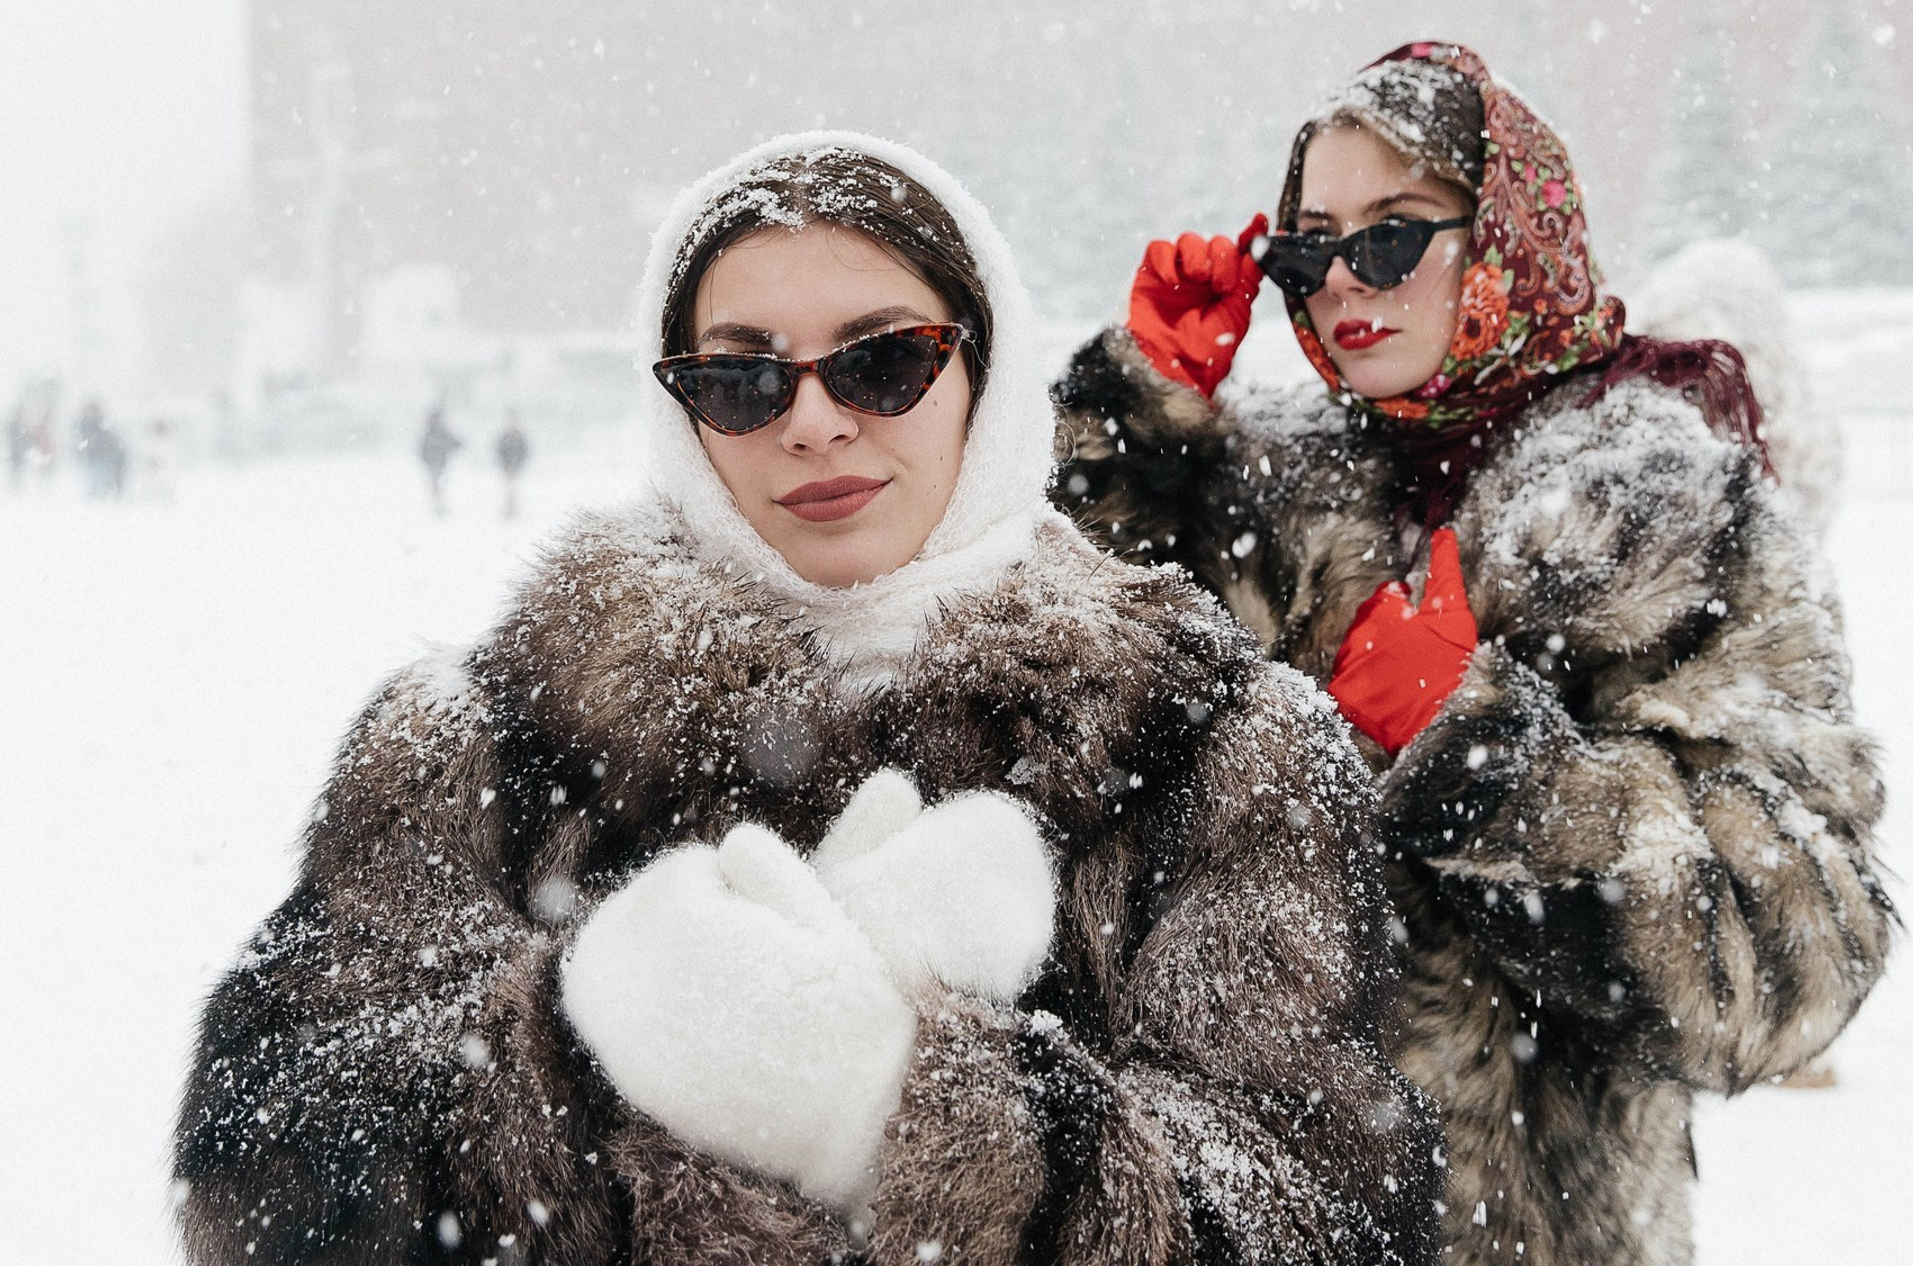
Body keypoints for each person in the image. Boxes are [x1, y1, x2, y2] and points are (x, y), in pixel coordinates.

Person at [174, 134, 1441, 1266]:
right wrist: (587, 1042)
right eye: (743, 381)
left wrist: (901, 1107)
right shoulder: (486, 735)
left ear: (982, 376)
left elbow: (1325, 1206)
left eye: (884, 363)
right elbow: (265, 1170)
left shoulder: (1221, 746)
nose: (816, 424)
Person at [1053, 42, 1892, 1266]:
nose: (1343, 280)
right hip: (1232, 1221)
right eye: (1308, 246)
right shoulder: (1253, 496)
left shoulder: (1670, 520)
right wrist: (1129, 438)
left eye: (1391, 236)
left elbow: (1804, 956)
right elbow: (1052, 731)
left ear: (1508, 233)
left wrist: (1484, 758)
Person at [418, 401, 462, 516]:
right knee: (437, 486)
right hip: (434, 465)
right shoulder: (430, 434)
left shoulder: (443, 433)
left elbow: (456, 444)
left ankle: (441, 505)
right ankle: (439, 505)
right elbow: (422, 450)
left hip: (442, 464)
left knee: (439, 486)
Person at [495, 409, 530, 519]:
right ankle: (509, 509)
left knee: (513, 489)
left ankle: (513, 509)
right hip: (507, 468)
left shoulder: (519, 437)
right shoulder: (504, 437)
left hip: (516, 468)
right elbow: (499, 452)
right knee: (509, 489)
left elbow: (525, 452)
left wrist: (518, 465)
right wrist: (504, 466)